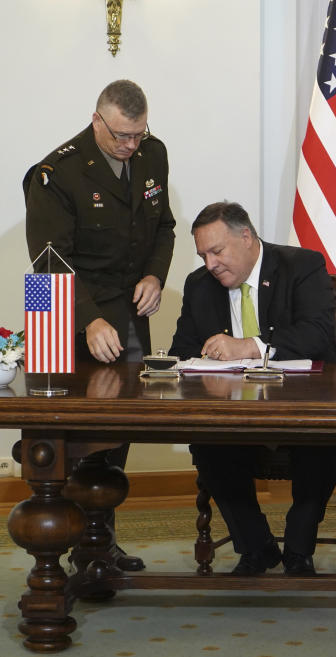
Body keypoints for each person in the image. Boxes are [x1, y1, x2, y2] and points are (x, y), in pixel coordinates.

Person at [24, 79, 176, 572]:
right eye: (121, 137)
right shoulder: (56, 173)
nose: (131, 146)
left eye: (138, 134)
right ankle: (55, 552)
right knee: (62, 441)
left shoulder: (154, 155)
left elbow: (165, 226)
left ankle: (98, 544)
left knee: (116, 433)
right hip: (63, 314)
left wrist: (155, 274)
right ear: (97, 121)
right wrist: (87, 321)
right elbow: (48, 264)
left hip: (127, 312)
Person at [169, 201, 336, 576]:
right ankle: (256, 547)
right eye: (203, 255)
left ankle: (299, 550)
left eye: (217, 251)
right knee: (207, 443)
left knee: (322, 442)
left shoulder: (301, 266)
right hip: (235, 408)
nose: (210, 264)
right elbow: (181, 351)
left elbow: (316, 333)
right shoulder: (200, 285)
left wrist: (250, 345)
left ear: (246, 236)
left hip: (306, 404)